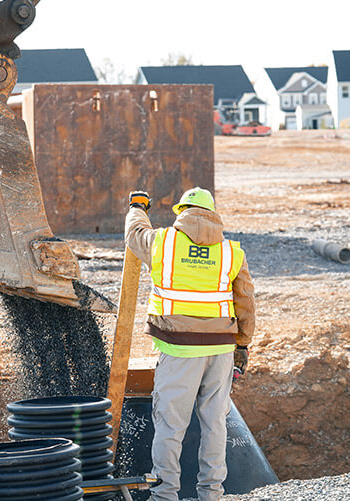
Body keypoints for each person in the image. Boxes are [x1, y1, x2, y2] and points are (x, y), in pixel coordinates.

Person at [125, 187, 255, 501]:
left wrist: (138, 207)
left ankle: (165, 494)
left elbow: (134, 233)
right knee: (214, 423)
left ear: (182, 211)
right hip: (221, 351)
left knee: (171, 425)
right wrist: (243, 345)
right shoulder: (231, 252)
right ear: (212, 213)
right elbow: (246, 302)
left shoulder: (164, 242)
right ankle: (211, 494)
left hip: (179, 350)